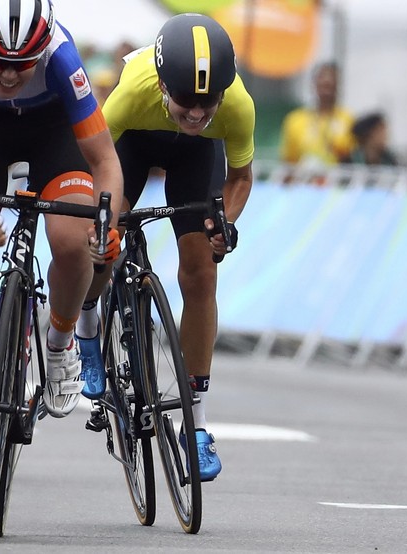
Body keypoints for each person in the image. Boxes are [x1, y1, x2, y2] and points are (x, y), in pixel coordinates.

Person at [0, 0, 124, 472]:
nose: (9, 76)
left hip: (53, 132)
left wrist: (106, 226)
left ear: (41, 49)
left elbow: (105, 161)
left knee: (74, 243)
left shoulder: (62, 57)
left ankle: (59, 341)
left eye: (21, 65)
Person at [80, 13, 256, 482]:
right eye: (185, 101)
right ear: (162, 86)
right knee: (105, 237)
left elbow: (239, 179)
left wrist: (227, 224)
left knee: (201, 273)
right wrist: (104, 223)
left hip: (195, 158)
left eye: (208, 102)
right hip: (131, 147)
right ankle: (88, 321)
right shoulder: (131, 94)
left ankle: (195, 428)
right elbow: (97, 169)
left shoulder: (236, 105)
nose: (197, 114)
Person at [280, 61, 354, 169]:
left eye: (330, 86)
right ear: (314, 85)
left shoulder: (347, 119)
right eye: (323, 85)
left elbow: (351, 156)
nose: (326, 91)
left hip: (337, 181)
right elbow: (289, 162)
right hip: (304, 182)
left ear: (337, 86)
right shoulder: (295, 120)